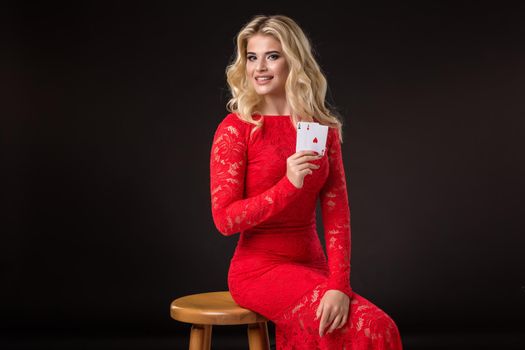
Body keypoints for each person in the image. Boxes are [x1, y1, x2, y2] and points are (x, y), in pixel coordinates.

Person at [209, 14, 403, 349]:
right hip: (259, 271)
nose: (260, 68)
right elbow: (225, 220)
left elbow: (337, 214)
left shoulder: (320, 129)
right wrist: (289, 183)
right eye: (252, 57)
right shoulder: (236, 128)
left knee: (372, 325)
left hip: (313, 265)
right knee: (370, 326)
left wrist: (339, 285)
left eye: (273, 56)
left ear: (293, 61)